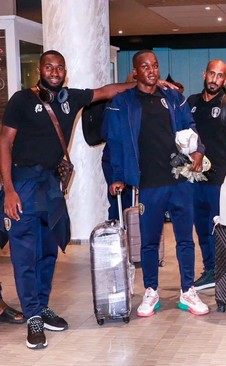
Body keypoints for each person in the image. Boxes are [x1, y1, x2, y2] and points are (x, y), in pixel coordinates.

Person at [0, 50, 141, 349]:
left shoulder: (70, 98)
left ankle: (41, 306)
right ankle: (32, 318)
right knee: (26, 254)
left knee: (48, 251)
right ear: (39, 70)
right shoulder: (21, 100)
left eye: (59, 67)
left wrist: (141, 82)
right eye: (48, 67)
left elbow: (106, 91)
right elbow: (5, 143)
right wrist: (9, 190)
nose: (54, 71)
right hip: (23, 184)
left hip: (51, 186)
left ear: (65, 71)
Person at [105, 50, 210, 319]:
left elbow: (190, 126)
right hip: (149, 182)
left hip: (180, 178)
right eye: (145, 66)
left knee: (186, 238)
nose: (152, 70)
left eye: (155, 65)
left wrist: (198, 149)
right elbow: (115, 142)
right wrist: (117, 176)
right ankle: (151, 290)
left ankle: (188, 290)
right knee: (149, 241)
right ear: (135, 72)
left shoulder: (173, 97)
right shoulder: (123, 103)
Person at [187, 60, 226, 291]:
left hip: (221, 180)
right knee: (201, 228)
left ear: (225, 80)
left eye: (220, 76)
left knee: (220, 229)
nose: (214, 79)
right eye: (212, 74)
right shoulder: (190, 103)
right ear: (204, 74)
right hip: (194, 179)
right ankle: (210, 269)